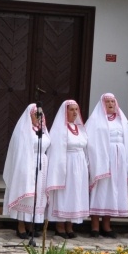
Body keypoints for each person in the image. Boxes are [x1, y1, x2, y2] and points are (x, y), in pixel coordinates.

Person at [87, 93, 128, 237]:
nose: (110, 104)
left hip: (119, 161)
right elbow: (90, 141)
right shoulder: (95, 120)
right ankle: (95, 226)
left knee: (113, 191)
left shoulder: (122, 120)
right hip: (102, 160)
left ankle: (106, 225)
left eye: (113, 101)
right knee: (100, 190)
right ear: (102, 104)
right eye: (107, 101)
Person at [2, 103, 50, 239]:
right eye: (35, 114)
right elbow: (19, 152)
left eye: (40, 114)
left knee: (37, 196)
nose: (38, 117)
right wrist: (24, 169)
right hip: (27, 165)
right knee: (27, 195)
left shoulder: (43, 131)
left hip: (42, 166)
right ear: (29, 115)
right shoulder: (23, 131)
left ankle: (31, 224)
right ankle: (21, 225)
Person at [44, 99, 89, 239]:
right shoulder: (60, 129)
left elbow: (85, 147)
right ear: (65, 111)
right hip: (66, 164)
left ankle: (70, 224)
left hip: (79, 164)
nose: (75, 112)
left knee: (75, 194)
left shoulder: (80, 128)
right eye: (71, 109)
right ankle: (60, 225)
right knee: (64, 194)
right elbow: (55, 150)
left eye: (76, 109)